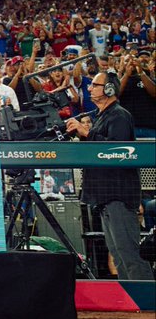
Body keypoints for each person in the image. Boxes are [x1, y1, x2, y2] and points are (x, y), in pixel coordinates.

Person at [66, 71, 153, 281]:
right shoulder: (102, 116)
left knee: (129, 255)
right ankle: (132, 301)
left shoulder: (120, 115)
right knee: (118, 255)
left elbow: (116, 151)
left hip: (118, 197)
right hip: (106, 197)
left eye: (95, 85)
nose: (89, 88)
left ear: (109, 89)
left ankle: (148, 304)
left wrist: (87, 133)